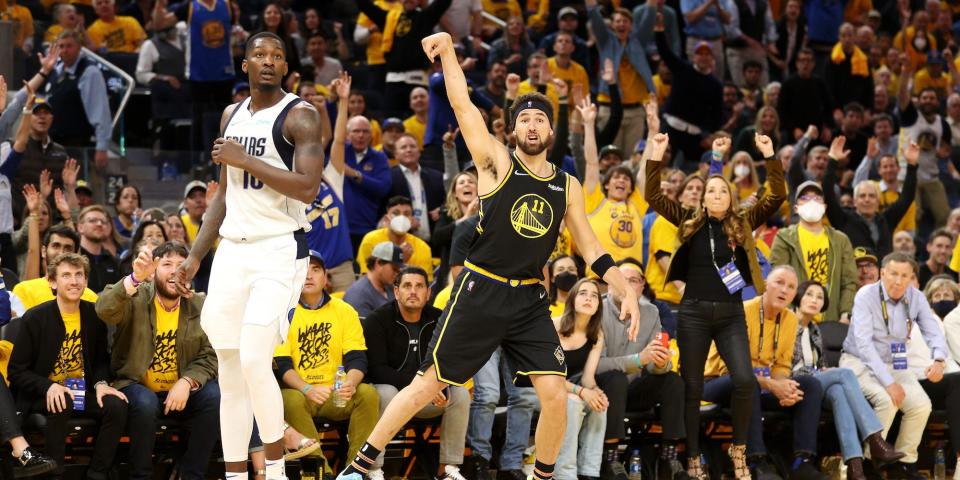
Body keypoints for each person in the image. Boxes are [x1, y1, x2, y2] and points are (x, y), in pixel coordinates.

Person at [335, 31, 641, 480]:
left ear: (551, 132)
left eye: (540, 120)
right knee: (429, 384)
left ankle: (544, 475)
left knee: (555, 393)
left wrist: (624, 292)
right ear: (513, 129)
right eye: (525, 120)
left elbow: (592, 249)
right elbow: (463, 105)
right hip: (480, 289)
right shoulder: (496, 161)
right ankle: (359, 467)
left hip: (528, 300)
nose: (533, 126)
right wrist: (449, 52)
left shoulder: (566, 185)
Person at [171, 31, 325, 480]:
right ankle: (238, 474)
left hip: (279, 248)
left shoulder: (301, 115)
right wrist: (196, 256)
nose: (268, 61)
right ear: (245, 65)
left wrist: (247, 159)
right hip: (232, 254)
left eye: (277, 55)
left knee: (258, 359)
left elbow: (309, 187)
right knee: (231, 372)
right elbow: (223, 196)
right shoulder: (230, 114)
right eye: (259, 54)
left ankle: (274, 470)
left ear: (286, 66)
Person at [644, 129, 785, 479]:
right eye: (711, 190)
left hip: (730, 314)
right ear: (703, 197)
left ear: (732, 197)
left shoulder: (743, 222)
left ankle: (739, 451)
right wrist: (656, 156)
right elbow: (651, 194)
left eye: (724, 190)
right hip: (692, 313)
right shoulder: (690, 221)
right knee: (692, 388)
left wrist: (770, 155)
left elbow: (778, 194)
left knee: (743, 381)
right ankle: (692, 457)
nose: (717, 194)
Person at [95, 242, 219, 480]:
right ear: (153, 272)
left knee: (214, 396)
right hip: (136, 384)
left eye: (181, 264)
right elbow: (104, 309)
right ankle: (140, 476)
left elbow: (211, 354)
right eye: (167, 264)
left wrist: (188, 381)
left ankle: (193, 475)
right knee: (145, 402)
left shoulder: (201, 305)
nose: (175, 270)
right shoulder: (136, 296)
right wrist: (133, 279)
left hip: (181, 388)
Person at [8, 253, 128, 479]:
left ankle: (98, 473)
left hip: (81, 392)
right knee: (62, 400)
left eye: (79, 275)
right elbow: (16, 371)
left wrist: (102, 383)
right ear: (53, 282)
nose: (74, 281)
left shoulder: (94, 315)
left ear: (85, 280)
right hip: (43, 394)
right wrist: (48, 386)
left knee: (116, 406)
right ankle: (55, 474)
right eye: (66, 275)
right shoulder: (35, 318)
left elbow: (102, 359)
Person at [701, 266, 827, 480]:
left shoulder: (790, 319)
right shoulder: (740, 312)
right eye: (779, 282)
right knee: (746, 382)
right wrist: (771, 385)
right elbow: (733, 367)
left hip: (759, 383)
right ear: (765, 285)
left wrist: (783, 388)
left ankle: (801, 462)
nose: (784, 290)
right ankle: (756, 461)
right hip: (718, 382)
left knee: (810, 385)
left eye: (790, 287)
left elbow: (781, 366)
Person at [840, 253, 951, 479]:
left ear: (911, 278)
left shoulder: (916, 297)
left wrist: (939, 360)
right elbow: (863, 344)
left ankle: (904, 464)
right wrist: (889, 383)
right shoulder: (866, 295)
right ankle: (870, 464)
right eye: (893, 274)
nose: (898, 281)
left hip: (896, 361)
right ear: (882, 273)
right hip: (859, 361)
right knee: (887, 400)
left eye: (904, 276)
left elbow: (933, 332)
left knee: (921, 405)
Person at [275, 250, 378, 477]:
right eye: (303, 270)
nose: (309, 275)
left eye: (316, 270)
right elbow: (282, 364)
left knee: (368, 394)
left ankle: (355, 470)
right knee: (289, 398)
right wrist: (307, 388)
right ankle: (321, 470)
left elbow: (357, 358)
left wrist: (349, 383)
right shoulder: (284, 312)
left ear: (325, 277)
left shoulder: (345, 311)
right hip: (302, 393)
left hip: (336, 393)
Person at [363, 266, 470, 480]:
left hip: (430, 398)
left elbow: (450, 361)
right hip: (395, 397)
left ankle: (447, 469)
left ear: (428, 293)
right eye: (407, 286)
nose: (413, 291)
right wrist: (422, 387)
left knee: (460, 394)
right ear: (396, 292)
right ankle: (374, 468)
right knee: (384, 392)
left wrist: (440, 386)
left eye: (419, 286)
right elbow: (376, 369)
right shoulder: (378, 320)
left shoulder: (440, 319)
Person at [791, 280, 905, 479]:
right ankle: (875, 439)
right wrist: (823, 373)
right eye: (809, 294)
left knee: (839, 393)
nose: (814, 300)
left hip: (816, 382)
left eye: (819, 297)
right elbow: (789, 366)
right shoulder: (788, 323)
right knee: (845, 374)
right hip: (794, 381)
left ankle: (855, 467)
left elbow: (819, 362)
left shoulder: (816, 330)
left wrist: (825, 370)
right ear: (798, 296)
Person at [596, 260, 684, 477]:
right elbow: (597, 365)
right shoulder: (597, 309)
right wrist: (638, 359)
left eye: (633, 281)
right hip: (600, 389)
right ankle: (610, 458)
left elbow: (653, 364)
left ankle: (669, 456)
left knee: (672, 380)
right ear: (609, 284)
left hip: (633, 389)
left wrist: (661, 363)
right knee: (615, 378)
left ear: (642, 287)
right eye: (622, 280)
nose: (627, 285)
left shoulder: (651, 312)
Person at [770, 181, 858, 323]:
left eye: (817, 198)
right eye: (805, 198)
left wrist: (845, 313)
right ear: (796, 208)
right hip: (793, 318)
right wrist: (789, 313)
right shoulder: (784, 237)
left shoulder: (840, 240)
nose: (811, 202)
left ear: (824, 207)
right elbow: (778, 279)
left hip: (831, 320)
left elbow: (849, 281)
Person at [823, 137, 918, 259]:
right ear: (855, 202)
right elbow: (827, 193)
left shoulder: (886, 221)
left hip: (883, 276)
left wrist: (912, 165)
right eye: (862, 196)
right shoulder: (843, 219)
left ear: (878, 201)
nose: (867, 199)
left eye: (872, 196)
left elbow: (907, 198)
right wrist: (833, 160)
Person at [355, 0, 452, 118]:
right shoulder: (389, 18)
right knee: (390, 123)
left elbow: (443, 3)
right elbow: (364, 5)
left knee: (420, 122)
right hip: (393, 82)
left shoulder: (425, 17)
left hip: (417, 82)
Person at [553, 279, 608, 480]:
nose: (589, 298)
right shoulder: (554, 326)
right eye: (583, 293)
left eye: (594, 295)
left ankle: (589, 472)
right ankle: (564, 473)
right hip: (538, 390)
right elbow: (547, 376)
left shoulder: (596, 334)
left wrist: (596, 392)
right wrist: (582, 392)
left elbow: (587, 378)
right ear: (572, 299)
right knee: (574, 401)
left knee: (598, 405)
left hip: (569, 390)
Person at [586, 0, 655, 157]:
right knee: (610, 156)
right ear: (612, 25)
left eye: (625, 21)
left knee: (632, 158)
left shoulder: (639, 41)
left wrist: (652, 4)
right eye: (617, 21)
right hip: (609, 107)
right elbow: (594, 17)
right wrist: (590, 5)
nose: (621, 24)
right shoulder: (605, 40)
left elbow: (649, 19)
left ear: (631, 26)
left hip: (636, 111)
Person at [305, 72, 354, 293]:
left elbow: (339, 140)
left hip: (342, 269)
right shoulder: (289, 190)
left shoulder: (331, 180)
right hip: (308, 269)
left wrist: (344, 100)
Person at [654, 18, 723, 171]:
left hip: (694, 137)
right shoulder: (682, 69)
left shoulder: (716, 85)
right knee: (659, 164)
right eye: (700, 53)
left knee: (691, 172)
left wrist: (707, 134)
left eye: (707, 54)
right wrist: (659, 31)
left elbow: (717, 116)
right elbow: (665, 52)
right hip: (670, 126)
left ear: (712, 58)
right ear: (694, 56)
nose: (703, 57)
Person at [44, 30, 113, 168]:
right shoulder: (56, 70)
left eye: (69, 46)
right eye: (61, 46)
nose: (65, 50)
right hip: (54, 143)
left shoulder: (89, 72)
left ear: (80, 47)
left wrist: (102, 147)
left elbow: (100, 112)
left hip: (78, 145)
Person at [12, 226, 98, 312]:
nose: (61, 253)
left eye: (68, 248)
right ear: (44, 251)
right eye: (56, 246)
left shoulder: (90, 297)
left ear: (75, 255)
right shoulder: (24, 290)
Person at [357, 197, 434, 281]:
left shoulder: (423, 247)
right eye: (396, 213)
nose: (401, 218)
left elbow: (422, 284)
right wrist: (399, 261)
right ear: (386, 218)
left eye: (406, 214)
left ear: (412, 219)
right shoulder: (371, 240)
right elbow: (368, 280)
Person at [388, 136, 445, 241]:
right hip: (401, 239)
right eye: (403, 147)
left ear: (419, 152)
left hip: (434, 239)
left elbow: (449, 200)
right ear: (395, 154)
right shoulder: (388, 177)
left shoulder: (436, 176)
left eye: (412, 146)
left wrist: (441, 209)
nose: (409, 150)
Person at [343, 242, 404, 318]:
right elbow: (365, 329)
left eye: (399, 270)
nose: (397, 273)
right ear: (378, 263)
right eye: (394, 269)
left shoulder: (390, 286)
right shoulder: (358, 295)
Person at [77, 205, 122, 293]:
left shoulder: (114, 262)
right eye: (93, 220)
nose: (99, 224)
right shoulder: (74, 258)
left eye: (103, 222)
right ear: (80, 227)